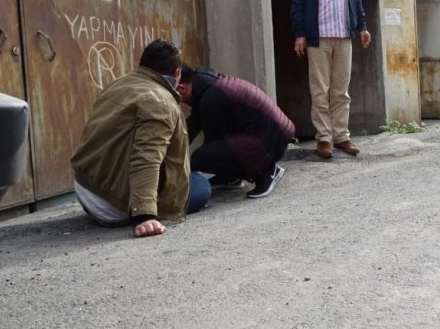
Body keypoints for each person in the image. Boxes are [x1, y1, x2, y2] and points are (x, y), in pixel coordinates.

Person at [71, 39, 210, 238]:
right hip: (112, 207)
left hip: (85, 186)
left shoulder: (119, 84)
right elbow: (147, 156)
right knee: (200, 186)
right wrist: (144, 216)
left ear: (144, 65)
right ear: (177, 74)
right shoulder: (160, 101)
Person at [290, 0, 371, 159]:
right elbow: (298, 5)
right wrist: (300, 34)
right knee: (320, 92)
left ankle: (342, 137)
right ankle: (324, 139)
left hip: (344, 38)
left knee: (341, 92)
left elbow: (355, 0)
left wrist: (363, 27)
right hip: (318, 40)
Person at [177, 64, 296, 198]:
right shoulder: (207, 85)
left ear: (182, 88)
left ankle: (267, 172)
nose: (180, 102)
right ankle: (230, 177)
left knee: (201, 158)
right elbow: (190, 129)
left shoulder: (210, 98)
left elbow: (214, 138)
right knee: (208, 153)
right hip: (271, 133)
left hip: (273, 140)